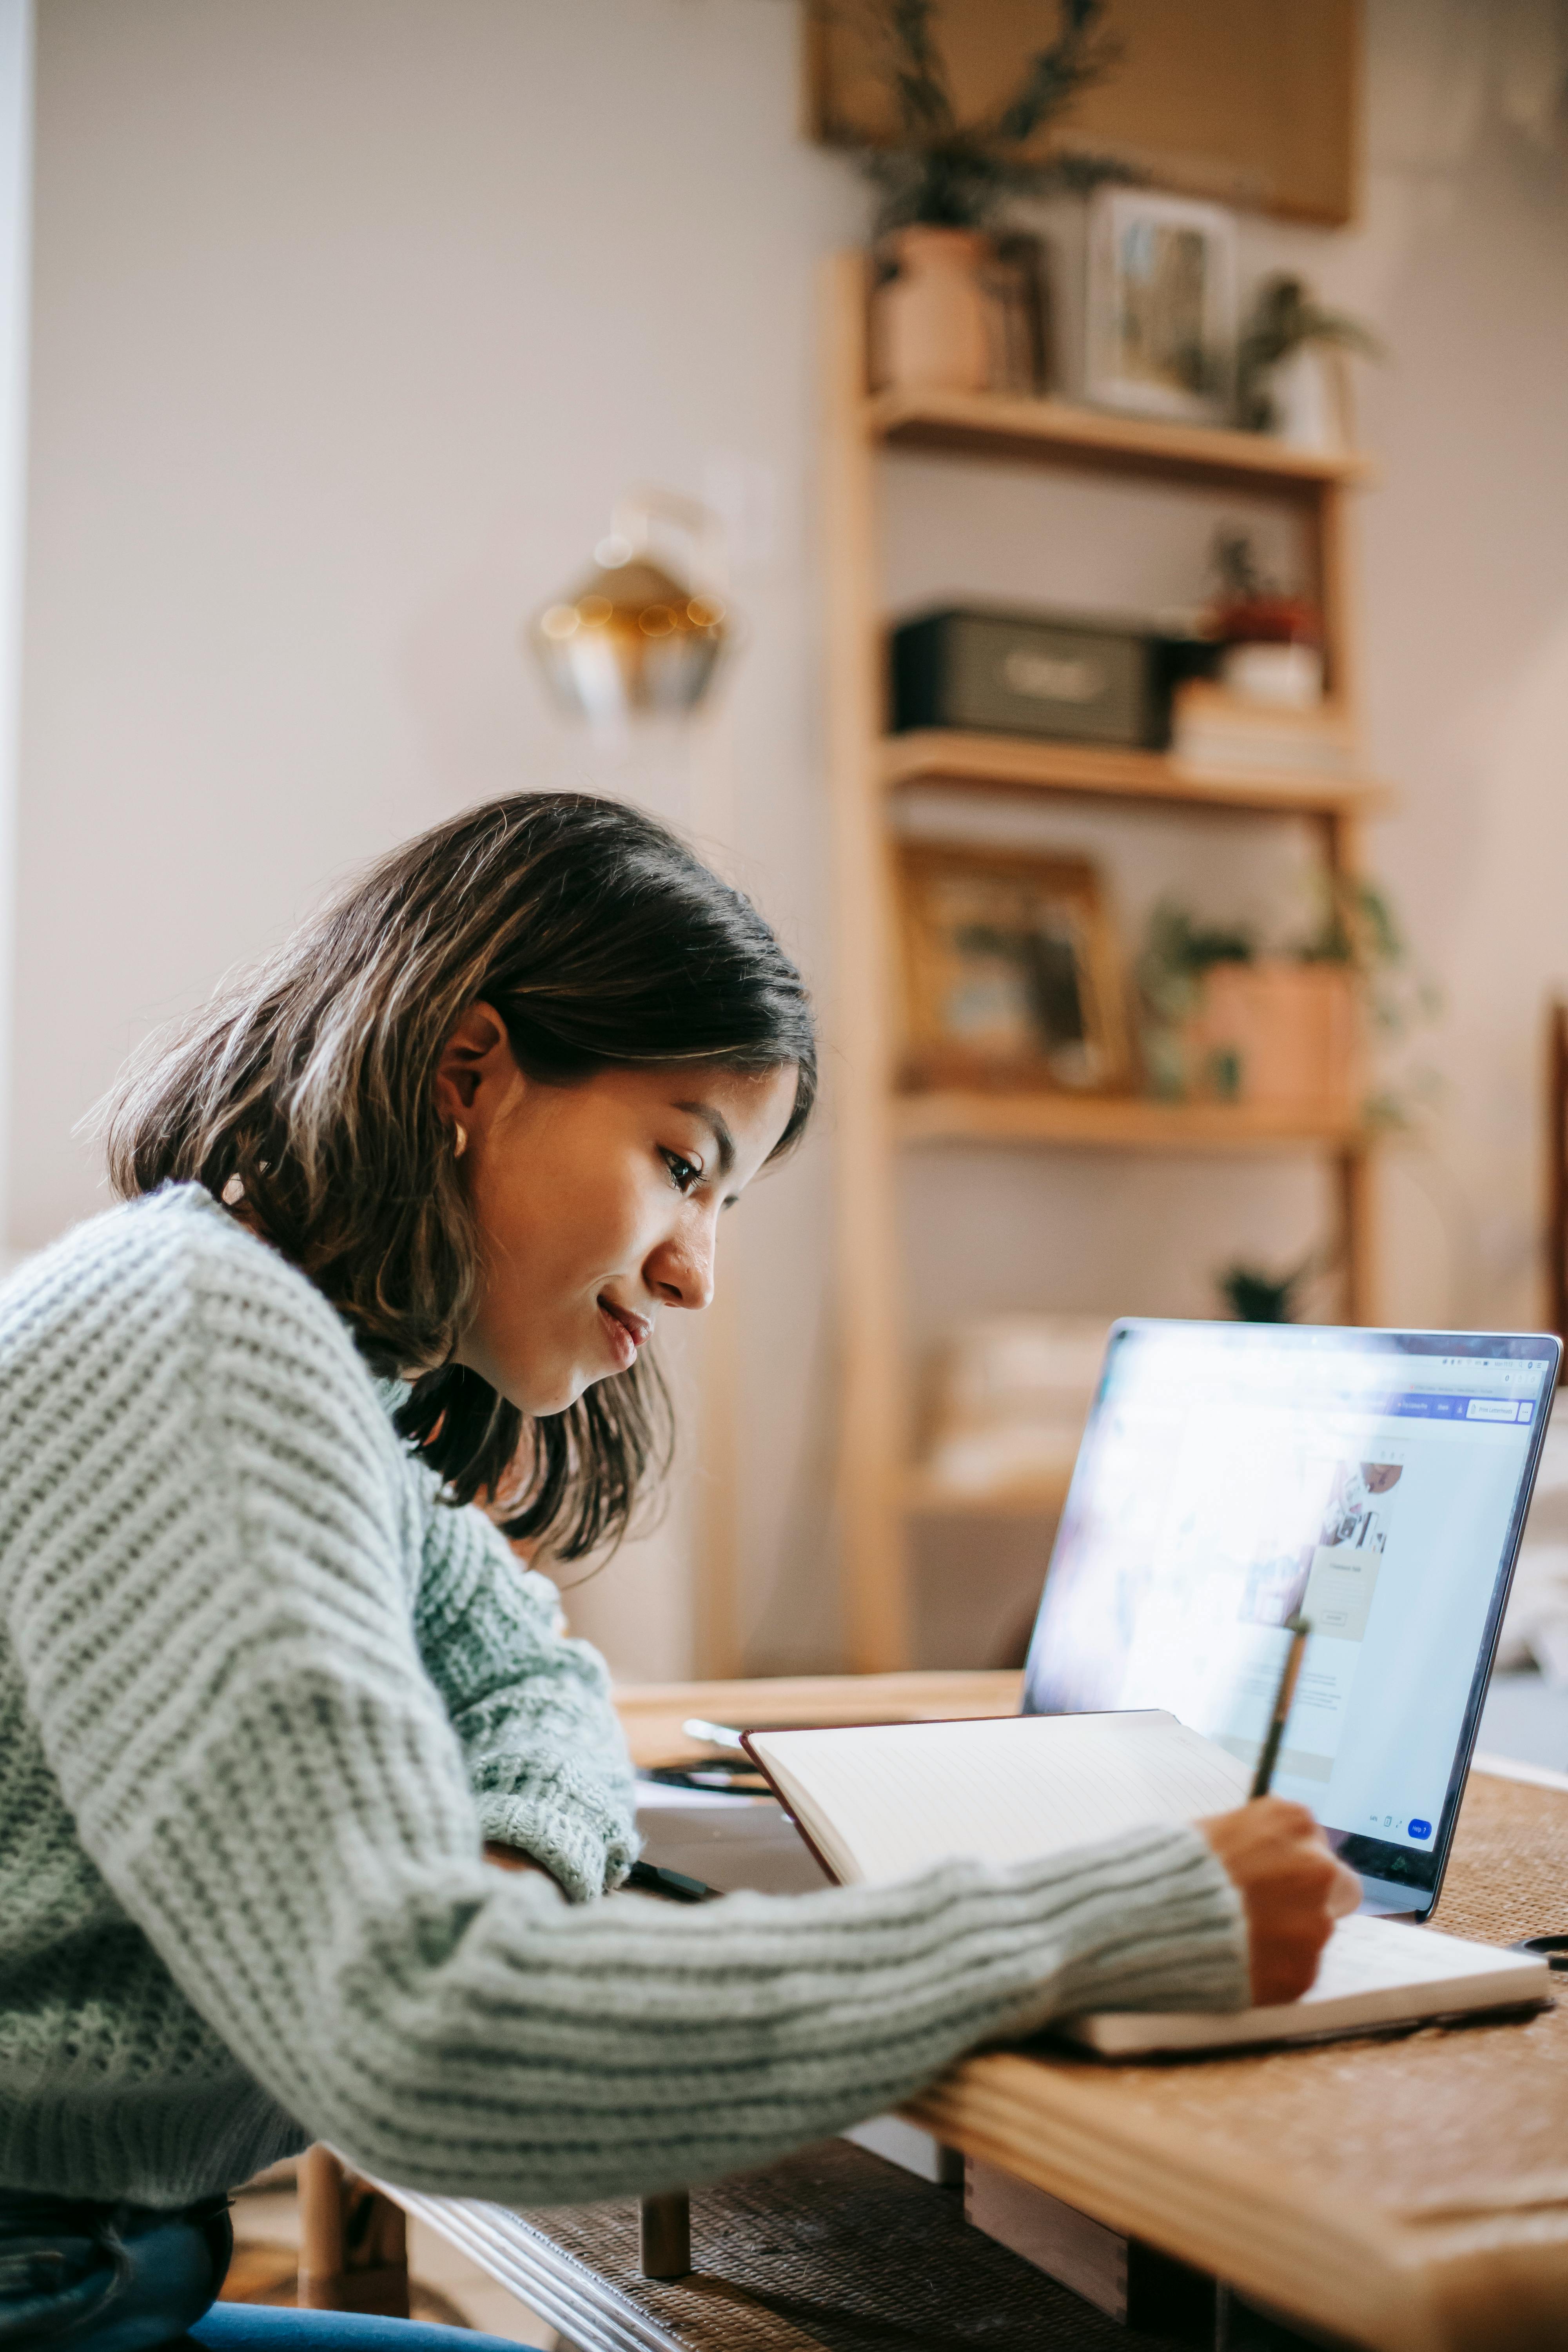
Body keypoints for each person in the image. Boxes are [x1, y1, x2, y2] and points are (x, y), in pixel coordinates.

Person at [0, 793, 1359, 2350]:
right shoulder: (202, 1346)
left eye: (723, 1202)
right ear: (470, 1071)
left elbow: (531, 1673)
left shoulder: (295, 1367)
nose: (695, 1271)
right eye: (679, 1164)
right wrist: (1098, 1915)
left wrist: (502, 1873)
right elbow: (430, 2053)